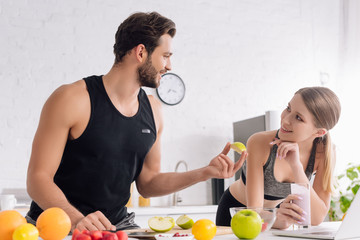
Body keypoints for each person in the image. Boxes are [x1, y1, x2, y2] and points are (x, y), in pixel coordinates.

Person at [25, 12, 247, 231]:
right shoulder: (72, 98)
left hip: (117, 227)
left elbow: (148, 183)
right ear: (141, 52)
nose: (169, 66)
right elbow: (38, 178)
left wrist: (204, 172)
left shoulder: (154, 110)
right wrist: (76, 219)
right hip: (57, 225)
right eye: (166, 55)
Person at [216, 87, 341, 229]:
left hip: (271, 215)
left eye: (298, 117)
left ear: (319, 132)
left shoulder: (324, 153)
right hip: (238, 211)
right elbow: (254, 212)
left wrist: (297, 167)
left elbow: (317, 217)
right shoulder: (259, 142)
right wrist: (278, 219)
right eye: (288, 108)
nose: (285, 120)